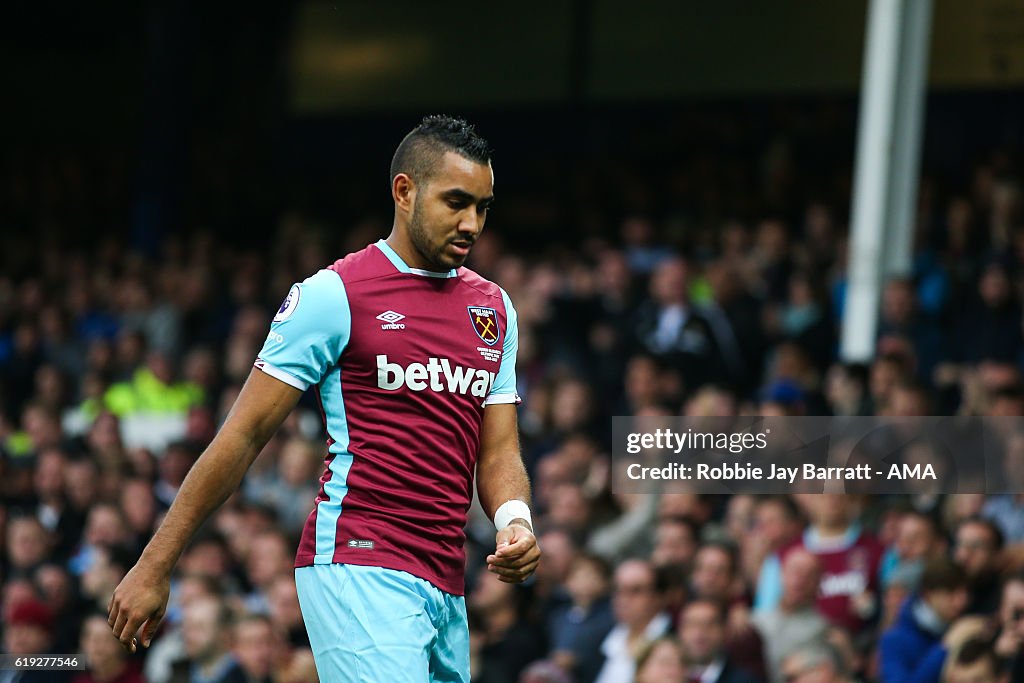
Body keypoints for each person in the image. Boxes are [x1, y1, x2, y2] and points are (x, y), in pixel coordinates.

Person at [107, 115, 541, 682]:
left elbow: (499, 449)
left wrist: (516, 520)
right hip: (358, 560)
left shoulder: (494, 309)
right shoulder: (332, 296)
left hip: (445, 578)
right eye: (456, 201)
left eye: (482, 207)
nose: (471, 223)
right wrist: (154, 563)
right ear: (404, 191)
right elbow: (242, 436)